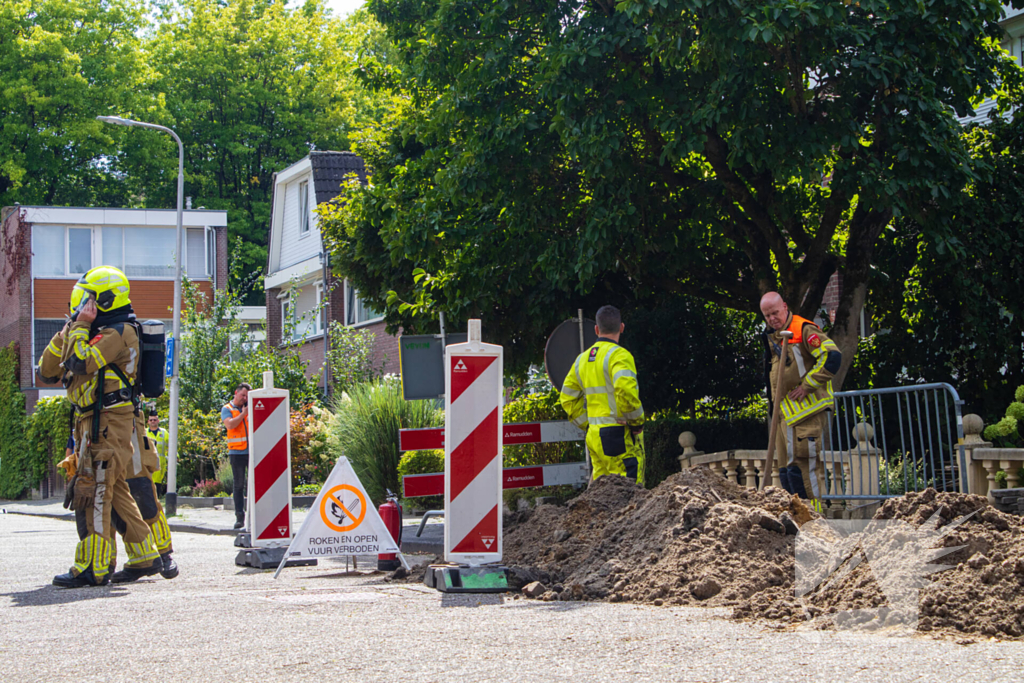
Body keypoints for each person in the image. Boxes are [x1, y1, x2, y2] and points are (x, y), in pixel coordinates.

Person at [38, 265, 162, 587]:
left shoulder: (118, 332)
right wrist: (69, 330)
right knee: (117, 491)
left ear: (104, 300)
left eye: (87, 300)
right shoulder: (87, 331)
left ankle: (92, 567)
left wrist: (80, 328)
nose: (82, 307)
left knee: (94, 494)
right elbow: (46, 371)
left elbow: (82, 362)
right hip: (91, 423)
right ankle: (144, 556)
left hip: (108, 425)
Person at [759, 292, 842, 504]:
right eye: (767, 316)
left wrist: (807, 386)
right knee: (787, 473)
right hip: (785, 415)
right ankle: (799, 519)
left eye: (775, 313)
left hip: (806, 414)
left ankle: (814, 521)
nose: (771, 319)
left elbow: (832, 356)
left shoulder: (803, 329)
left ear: (785, 307)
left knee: (803, 470)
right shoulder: (773, 337)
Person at [559, 305, 645, 485]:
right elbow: (626, 391)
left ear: (596, 329)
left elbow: (567, 399)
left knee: (602, 494)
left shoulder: (581, 360)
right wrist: (636, 422)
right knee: (629, 493)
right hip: (619, 436)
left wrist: (589, 425)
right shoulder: (620, 355)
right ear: (621, 327)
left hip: (595, 437)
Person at [222, 383, 251, 530]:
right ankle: (239, 517)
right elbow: (230, 425)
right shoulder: (227, 409)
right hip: (237, 452)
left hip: (251, 452)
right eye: (243, 395)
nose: (245, 398)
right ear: (236, 393)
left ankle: (254, 516)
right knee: (239, 485)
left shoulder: (250, 407)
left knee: (253, 485)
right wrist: (243, 414)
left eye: (247, 396)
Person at [147, 411, 170, 497]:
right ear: (148, 421)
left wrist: (175, 457)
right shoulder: (144, 433)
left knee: (157, 490)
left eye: (155, 420)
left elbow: (171, 446)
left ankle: (157, 508)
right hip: (148, 465)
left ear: (158, 421)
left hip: (160, 466)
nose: (153, 421)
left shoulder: (164, 433)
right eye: (151, 420)